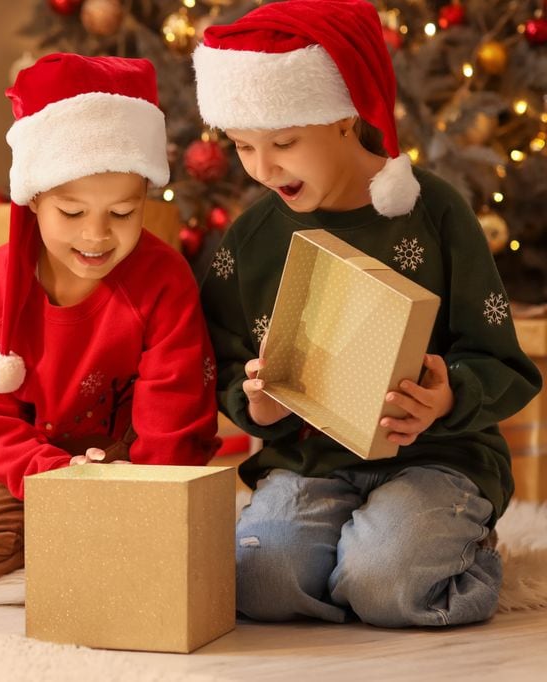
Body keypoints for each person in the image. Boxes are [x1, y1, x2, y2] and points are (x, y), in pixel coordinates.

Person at [193, 0, 541, 627]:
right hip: (309, 462)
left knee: (387, 585)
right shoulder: (252, 237)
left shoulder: (434, 213)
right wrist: (258, 405)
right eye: (243, 146)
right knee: (259, 582)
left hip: (437, 459)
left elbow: (501, 359)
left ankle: (435, 550)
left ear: (348, 117)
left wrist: (445, 397)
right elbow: (221, 360)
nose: (262, 168)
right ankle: (357, 550)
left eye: (286, 144)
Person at [0, 53, 220, 597]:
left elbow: (176, 409)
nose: (96, 236)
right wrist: (54, 476)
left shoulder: (162, 280)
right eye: (71, 214)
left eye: (121, 214)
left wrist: (138, 494)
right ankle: (70, 555)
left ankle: (86, 559)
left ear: (143, 201)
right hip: (42, 472)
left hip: (138, 468)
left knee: (156, 564)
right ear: (36, 199)